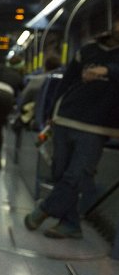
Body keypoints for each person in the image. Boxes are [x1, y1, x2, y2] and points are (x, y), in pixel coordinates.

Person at [25, 13, 119, 239]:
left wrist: (108, 71)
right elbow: (67, 81)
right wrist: (51, 113)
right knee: (60, 171)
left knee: (77, 174)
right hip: (65, 116)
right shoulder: (87, 50)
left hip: (98, 126)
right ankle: (70, 223)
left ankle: (46, 209)